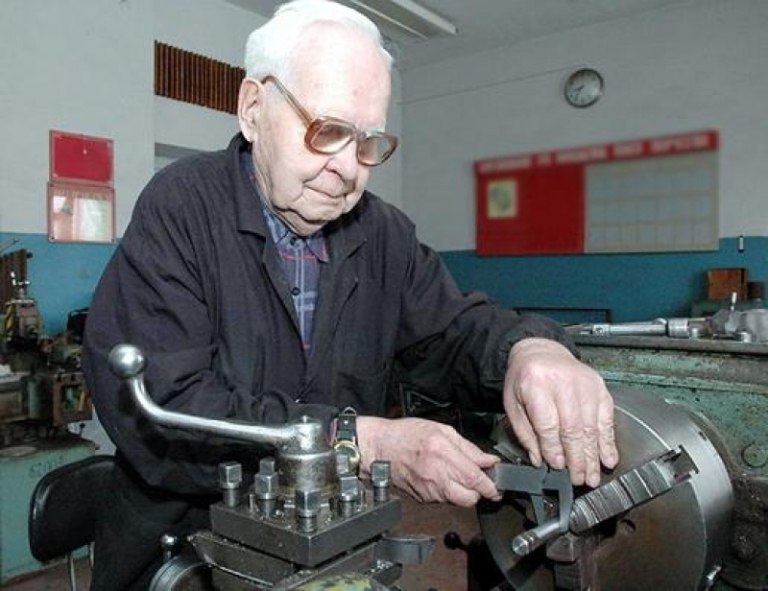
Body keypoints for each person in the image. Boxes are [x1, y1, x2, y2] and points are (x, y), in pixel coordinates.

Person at [82, 0, 618, 588]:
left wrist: (530, 349)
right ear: (254, 109)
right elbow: (162, 409)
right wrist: (356, 442)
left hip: (334, 550)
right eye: (327, 132)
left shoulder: (383, 233)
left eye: (369, 143)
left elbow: (454, 331)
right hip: (186, 550)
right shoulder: (182, 206)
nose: (348, 169)